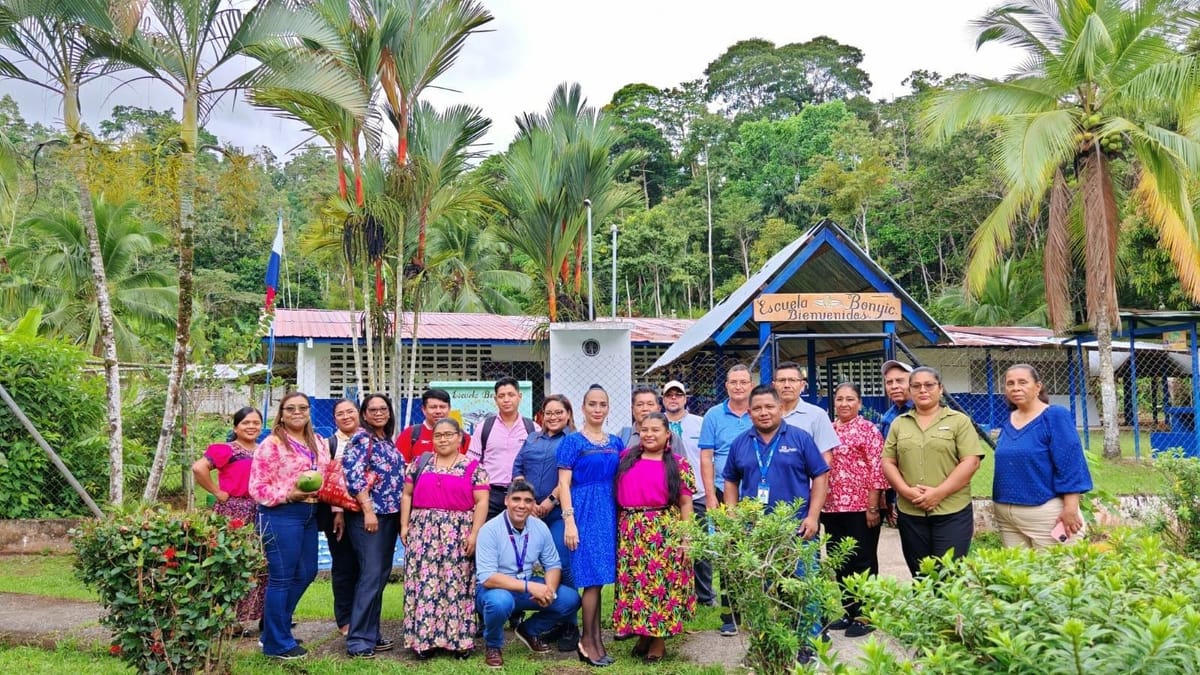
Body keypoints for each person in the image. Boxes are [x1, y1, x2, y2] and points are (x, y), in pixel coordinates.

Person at [723, 384, 830, 663]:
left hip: (798, 529)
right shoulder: (741, 443)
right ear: (749, 413)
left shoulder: (800, 438)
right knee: (760, 591)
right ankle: (764, 644)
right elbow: (731, 480)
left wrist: (813, 516)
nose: (764, 412)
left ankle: (808, 646)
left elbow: (820, 476)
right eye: (757, 408)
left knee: (805, 588)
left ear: (780, 408)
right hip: (756, 532)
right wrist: (734, 518)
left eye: (769, 407)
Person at [881, 367, 986, 577]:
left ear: (940, 389)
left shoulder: (959, 421)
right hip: (911, 512)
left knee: (949, 575)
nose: (923, 390)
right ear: (910, 391)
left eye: (929, 385)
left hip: (951, 511)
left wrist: (939, 493)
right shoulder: (899, 424)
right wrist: (904, 490)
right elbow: (888, 461)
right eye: (916, 386)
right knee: (921, 575)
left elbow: (971, 461)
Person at [248, 391, 330, 660]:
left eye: (302, 408)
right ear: (281, 414)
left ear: (309, 411)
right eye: (290, 408)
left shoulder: (317, 441)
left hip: (309, 513)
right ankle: (277, 643)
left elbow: (327, 474)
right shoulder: (271, 444)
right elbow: (257, 488)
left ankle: (274, 631)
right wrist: (288, 494)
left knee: (307, 571)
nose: (297, 412)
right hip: (281, 513)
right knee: (281, 578)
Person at [400, 417, 489, 659]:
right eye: (438, 435)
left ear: (460, 437)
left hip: (457, 533)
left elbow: (481, 503)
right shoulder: (420, 463)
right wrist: (404, 524)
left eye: (449, 434)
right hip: (422, 532)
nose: (443, 439)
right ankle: (424, 640)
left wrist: (474, 534)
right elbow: (407, 495)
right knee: (424, 583)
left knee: (457, 585)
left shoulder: (474, 468)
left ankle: (459, 640)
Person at [612, 412, 696, 663]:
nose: (649, 434)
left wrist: (686, 537)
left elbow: (685, 504)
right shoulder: (626, 458)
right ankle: (642, 634)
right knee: (635, 586)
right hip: (630, 530)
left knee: (659, 586)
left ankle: (658, 639)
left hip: (663, 530)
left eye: (655, 430)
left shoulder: (678, 464)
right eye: (644, 429)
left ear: (668, 433)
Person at [476, 479, 581, 669]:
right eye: (516, 499)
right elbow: (487, 577)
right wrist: (530, 586)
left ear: (533, 504)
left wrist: (548, 590)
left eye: (528, 501)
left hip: (526, 586)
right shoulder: (489, 529)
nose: (522, 505)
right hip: (496, 589)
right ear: (506, 500)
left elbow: (553, 565)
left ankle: (529, 630)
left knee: (571, 599)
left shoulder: (539, 527)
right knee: (499, 603)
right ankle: (493, 645)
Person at [993, 364, 1093, 549]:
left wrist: (1070, 509)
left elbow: (1070, 464)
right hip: (1007, 516)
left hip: (1046, 513)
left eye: (1023, 382)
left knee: (1057, 573)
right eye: (1010, 383)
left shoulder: (1054, 416)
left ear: (1038, 386)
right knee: (1017, 576)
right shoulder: (1009, 419)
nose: (1015, 388)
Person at [557, 384, 621, 666]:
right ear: (582, 408)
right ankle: (587, 640)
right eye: (592, 404)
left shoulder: (616, 442)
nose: (597, 409)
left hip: (608, 511)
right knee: (590, 581)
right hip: (583, 510)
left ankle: (596, 639)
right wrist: (569, 521)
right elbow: (563, 483)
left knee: (599, 579)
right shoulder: (572, 442)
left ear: (608, 408)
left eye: (602, 404)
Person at [511, 394, 579, 651]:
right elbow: (518, 467)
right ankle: (538, 617)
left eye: (559, 412)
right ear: (542, 416)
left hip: (558, 512)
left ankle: (569, 623)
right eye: (549, 412)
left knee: (562, 563)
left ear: (568, 414)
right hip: (528, 513)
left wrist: (549, 501)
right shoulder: (531, 439)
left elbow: (569, 478)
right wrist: (527, 502)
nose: (553, 417)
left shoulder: (572, 441)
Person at [191, 406, 267, 632]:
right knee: (232, 562)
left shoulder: (264, 450)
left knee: (260, 564)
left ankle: (258, 616)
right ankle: (227, 620)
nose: (251, 427)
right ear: (236, 427)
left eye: (255, 423)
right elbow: (198, 468)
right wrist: (216, 491)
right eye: (246, 423)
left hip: (260, 510)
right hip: (233, 512)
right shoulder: (227, 450)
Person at [821, 383, 888, 637]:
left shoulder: (868, 430)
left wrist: (873, 506)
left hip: (862, 507)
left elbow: (877, 469)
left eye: (850, 399)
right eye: (839, 399)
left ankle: (865, 614)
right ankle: (849, 611)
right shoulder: (828, 429)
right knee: (841, 560)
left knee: (863, 560)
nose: (844, 404)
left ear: (859, 403)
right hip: (832, 506)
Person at [341, 394, 405, 659]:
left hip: (388, 517)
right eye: (372, 409)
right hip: (371, 518)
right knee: (370, 576)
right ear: (364, 414)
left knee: (378, 577)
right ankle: (357, 641)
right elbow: (354, 477)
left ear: (389, 413)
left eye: (383, 409)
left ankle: (371, 633)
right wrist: (368, 511)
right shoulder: (361, 439)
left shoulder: (385, 441)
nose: (378, 413)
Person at [698, 364, 754, 636]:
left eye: (744, 382)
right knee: (729, 555)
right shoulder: (713, 415)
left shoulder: (760, 411)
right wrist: (710, 495)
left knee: (756, 551)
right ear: (727, 385)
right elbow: (706, 458)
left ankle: (756, 611)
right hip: (722, 492)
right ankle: (730, 615)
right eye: (734, 382)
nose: (739, 386)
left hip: (755, 493)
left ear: (751, 385)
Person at [662, 380, 712, 606]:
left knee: (699, 546)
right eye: (669, 395)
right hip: (665, 498)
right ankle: (674, 595)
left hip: (697, 494)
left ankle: (704, 596)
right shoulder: (656, 423)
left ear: (685, 398)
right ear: (663, 399)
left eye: (678, 395)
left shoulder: (700, 424)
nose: (674, 398)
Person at [467, 377, 538, 520]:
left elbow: (538, 465)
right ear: (495, 399)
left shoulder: (533, 429)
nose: (506, 400)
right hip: (489, 494)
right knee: (485, 537)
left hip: (521, 495)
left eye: (511, 395)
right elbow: (471, 464)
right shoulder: (484, 427)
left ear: (519, 396)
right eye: (501, 396)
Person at [319, 399, 360, 636]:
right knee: (343, 565)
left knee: (366, 568)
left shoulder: (371, 440)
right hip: (339, 515)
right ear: (334, 419)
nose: (346, 417)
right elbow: (327, 481)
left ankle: (363, 616)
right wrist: (337, 512)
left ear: (359, 414)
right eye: (340, 414)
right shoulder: (329, 445)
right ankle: (345, 619)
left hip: (367, 514)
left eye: (350, 412)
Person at [774, 361, 840, 457]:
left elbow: (826, 456)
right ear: (773, 385)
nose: (787, 385)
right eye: (781, 380)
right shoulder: (765, 415)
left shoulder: (817, 416)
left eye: (792, 380)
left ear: (802, 385)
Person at [879, 360, 914, 527]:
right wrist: (889, 497)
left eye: (900, 381)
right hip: (903, 495)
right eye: (889, 382)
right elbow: (887, 460)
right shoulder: (888, 418)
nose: (894, 386)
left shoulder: (927, 410)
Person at [397, 389, 470, 463]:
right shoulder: (409, 434)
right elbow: (399, 466)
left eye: (442, 407)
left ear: (449, 409)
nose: (438, 411)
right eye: (433, 407)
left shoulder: (463, 437)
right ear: (423, 409)